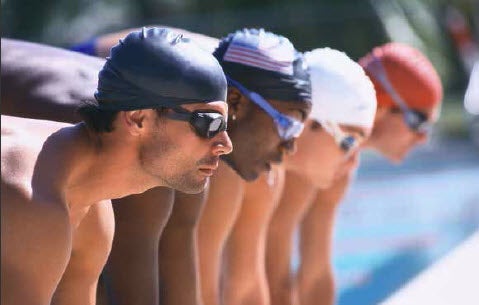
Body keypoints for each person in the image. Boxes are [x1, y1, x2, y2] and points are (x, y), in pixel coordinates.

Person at [72, 27, 312, 305]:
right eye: (288, 125)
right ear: (234, 101)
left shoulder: (197, 125)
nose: (291, 147)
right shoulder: (153, 137)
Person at [1, 27, 233, 305]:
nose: (226, 143)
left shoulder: (92, 212)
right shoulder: (30, 197)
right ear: (138, 118)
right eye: (209, 123)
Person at [266, 42, 443, 305]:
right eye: (418, 122)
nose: (421, 138)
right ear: (382, 106)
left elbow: (317, 271)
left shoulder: (342, 164)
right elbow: (270, 271)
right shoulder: (307, 151)